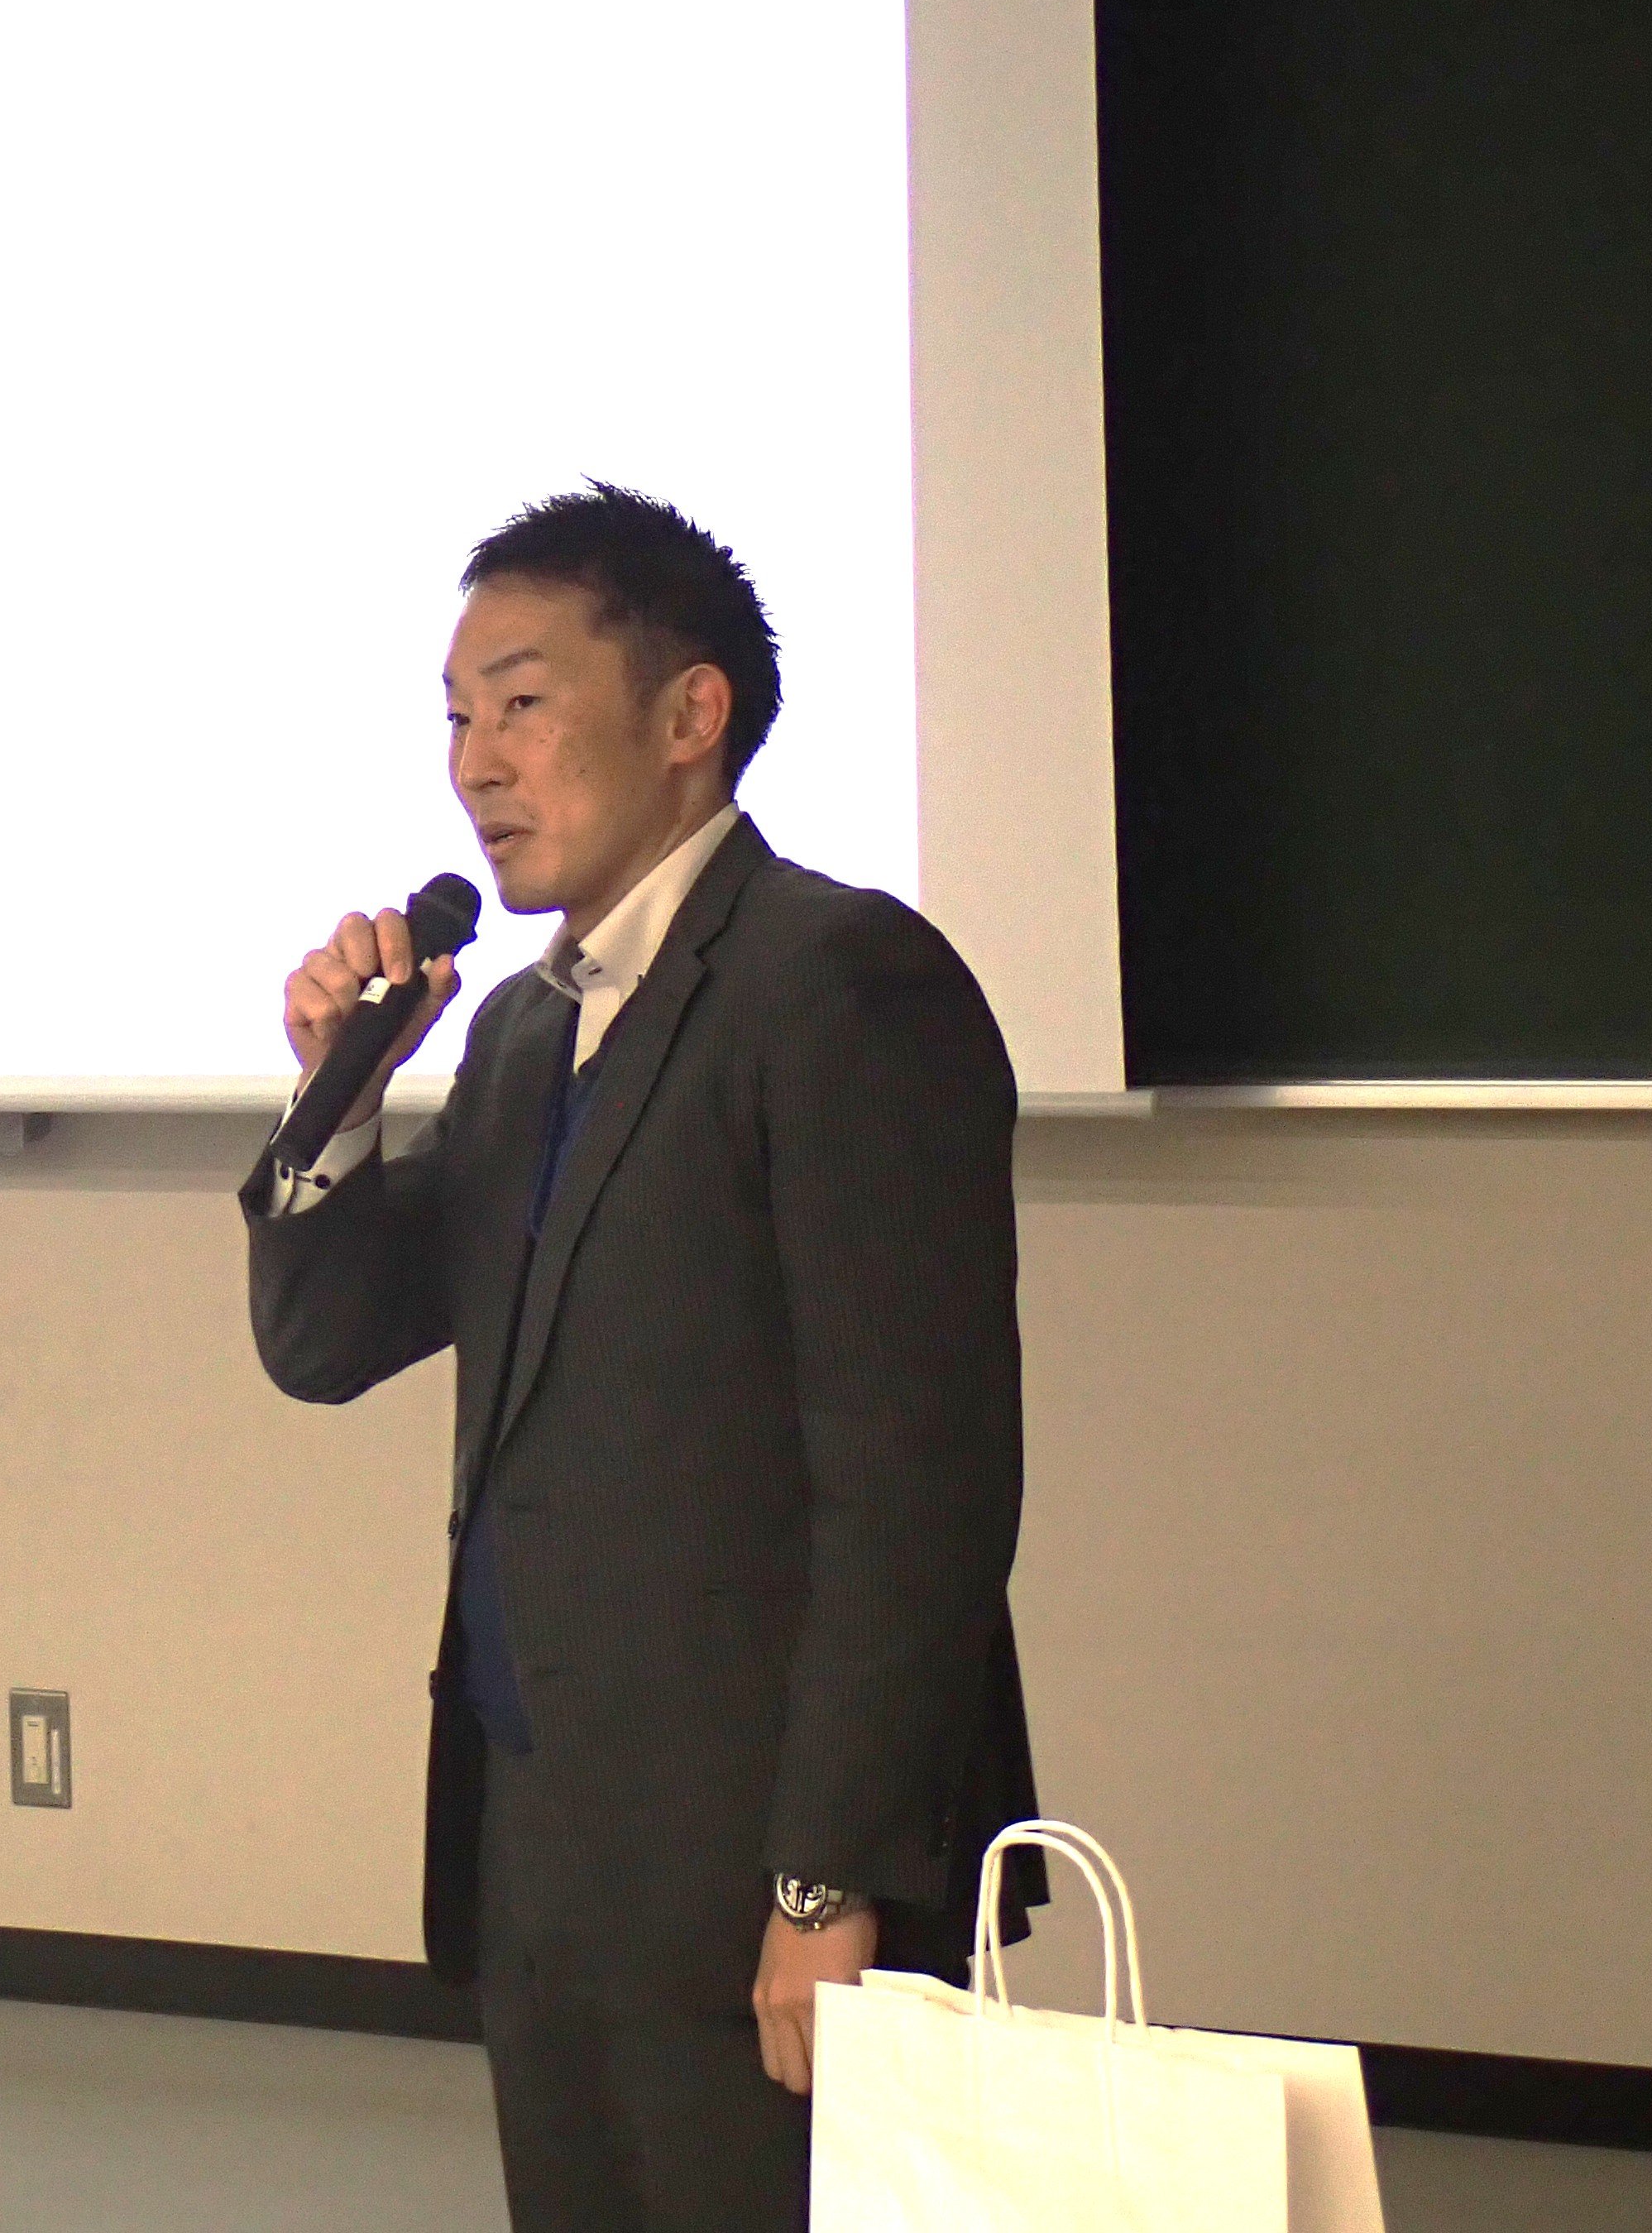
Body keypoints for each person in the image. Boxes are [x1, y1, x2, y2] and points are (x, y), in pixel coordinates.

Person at [242, 484, 1043, 2231]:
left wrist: (826, 1879)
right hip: (543, 1844)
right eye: (456, 716)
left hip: (764, 1866)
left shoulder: (837, 981)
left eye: (523, 702)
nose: (475, 762)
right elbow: (324, 1341)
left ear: (690, 715)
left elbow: (917, 1484)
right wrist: (336, 1097)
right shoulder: (523, 1030)